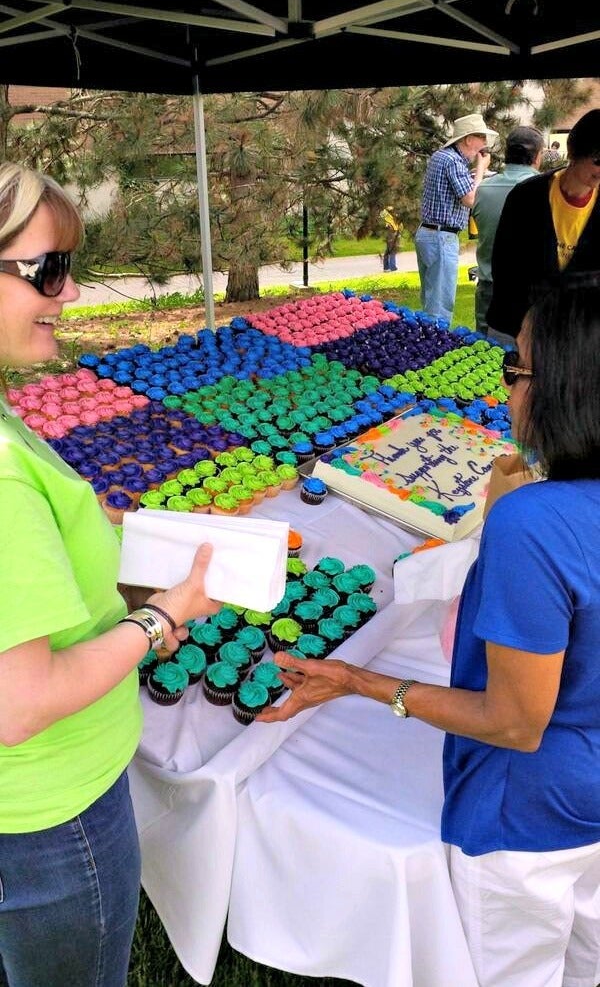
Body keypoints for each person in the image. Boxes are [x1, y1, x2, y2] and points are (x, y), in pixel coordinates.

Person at [258, 272, 600, 987]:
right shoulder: (542, 514)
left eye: (517, 368)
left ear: (566, 387)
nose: (508, 386)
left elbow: (512, 723)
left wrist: (354, 681)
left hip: (530, 813)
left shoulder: (533, 525)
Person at [0, 161, 221, 987]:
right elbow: (20, 704)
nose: (71, 296)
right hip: (50, 821)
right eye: (47, 271)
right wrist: (161, 618)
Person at [486, 108, 600, 339]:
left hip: (578, 335)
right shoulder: (526, 196)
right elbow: (505, 268)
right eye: (598, 161)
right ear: (573, 152)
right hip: (517, 327)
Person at [415, 112, 497, 320]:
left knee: (430, 300)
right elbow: (471, 199)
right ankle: (437, 349)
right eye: (482, 139)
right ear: (469, 139)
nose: (484, 145)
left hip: (427, 234)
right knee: (440, 307)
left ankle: (426, 345)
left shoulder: (440, 156)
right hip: (442, 238)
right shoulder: (454, 162)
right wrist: (480, 170)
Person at [472, 125, 544, 342]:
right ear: (537, 157)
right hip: (530, 294)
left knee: (484, 362)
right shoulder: (545, 190)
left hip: (489, 288)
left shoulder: (484, 189)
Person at [379, 206, 402, 272]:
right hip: (393, 235)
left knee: (388, 251)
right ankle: (392, 267)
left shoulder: (389, 218)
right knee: (392, 251)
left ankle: (386, 267)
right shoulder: (390, 218)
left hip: (390, 235)